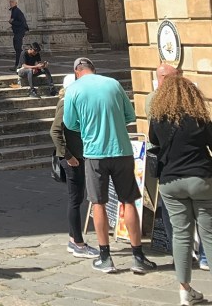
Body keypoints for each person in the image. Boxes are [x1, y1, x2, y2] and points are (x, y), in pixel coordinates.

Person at [63, 56, 156, 275]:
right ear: (93, 69)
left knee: (98, 203)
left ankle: (105, 257)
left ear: (77, 71)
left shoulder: (74, 90)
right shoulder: (113, 84)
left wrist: (88, 125)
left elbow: (70, 123)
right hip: (122, 149)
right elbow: (130, 116)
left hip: (95, 153)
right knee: (129, 201)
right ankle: (138, 256)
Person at [148, 74, 212, 306]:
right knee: (209, 234)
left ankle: (185, 290)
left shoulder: (158, 118)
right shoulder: (200, 118)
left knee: (181, 234)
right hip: (200, 178)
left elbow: (154, 141)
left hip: (171, 181)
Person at [50, 74, 98, 258]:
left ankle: (74, 240)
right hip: (73, 159)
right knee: (75, 199)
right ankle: (78, 243)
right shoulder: (66, 103)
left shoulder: (70, 102)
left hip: (77, 155)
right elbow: (55, 131)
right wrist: (68, 156)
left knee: (76, 198)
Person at [9, 0, 29, 68]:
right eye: (10, 2)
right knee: (17, 48)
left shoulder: (17, 11)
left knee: (18, 49)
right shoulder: (14, 10)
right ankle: (23, 62)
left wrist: (12, 22)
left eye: (12, 2)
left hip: (19, 32)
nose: (10, 3)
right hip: (17, 32)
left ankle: (18, 65)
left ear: (16, 3)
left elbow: (22, 22)